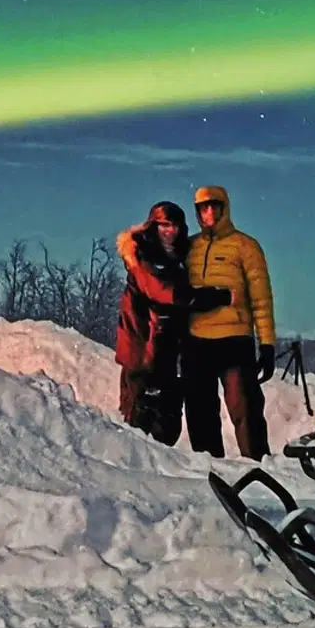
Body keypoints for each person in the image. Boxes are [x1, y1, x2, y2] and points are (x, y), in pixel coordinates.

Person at [115, 202, 232, 445]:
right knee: (140, 423)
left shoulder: (175, 256)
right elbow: (165, 292)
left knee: (167, 423)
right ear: (153, 226)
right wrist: (217, 297)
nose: (171, 231)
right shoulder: (143, 255)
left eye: (176, 226)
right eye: (165, 225)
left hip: (167, 349)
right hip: (143, 348)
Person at [182, 184, 276, 458]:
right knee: (199, 411)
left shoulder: (246, 246)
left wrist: (267, 344)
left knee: (244, 408)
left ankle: (258, 466)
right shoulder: (190, 247)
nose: (209, 212)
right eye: (203, 207)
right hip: (196, 340)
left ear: (225, 208)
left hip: (235, 341)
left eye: (214, 206)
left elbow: (261, 300)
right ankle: (211, 470)